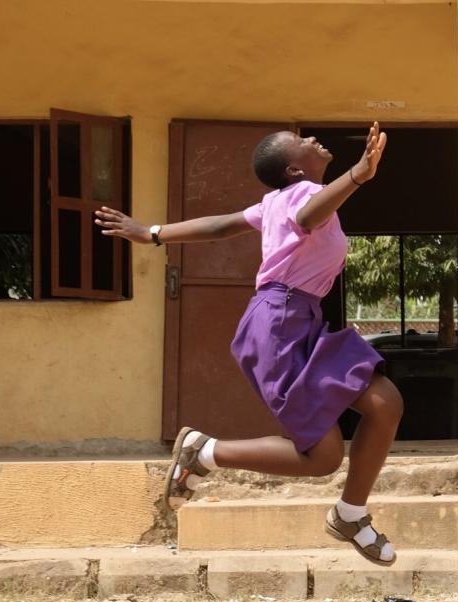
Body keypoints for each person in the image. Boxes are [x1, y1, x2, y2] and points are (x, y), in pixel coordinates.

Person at [95, 123, 402, 566]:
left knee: (385, 402)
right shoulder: (299, 198)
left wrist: (154, 232)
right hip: (279, 325)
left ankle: (349, 514)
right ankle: (205, 452)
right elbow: (308, 217)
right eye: (302, 141)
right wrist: (359, 173)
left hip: (302, 318)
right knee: (323, 457)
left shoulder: (275, 201)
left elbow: (220, 226)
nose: (313, 138)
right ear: (296, 169)